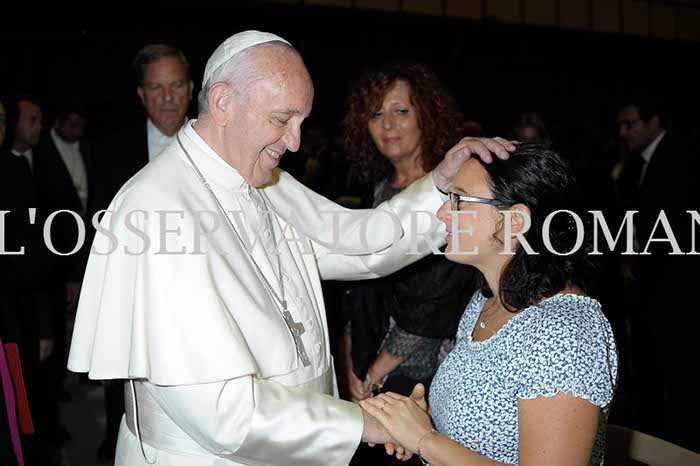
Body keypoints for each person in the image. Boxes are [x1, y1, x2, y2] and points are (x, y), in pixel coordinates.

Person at [67, 30, 514, 466]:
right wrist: (362, 422)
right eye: (282, 120)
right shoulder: (159, 209)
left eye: (301, 121)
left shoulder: (257, 178)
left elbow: (362, 246)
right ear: (223, 103)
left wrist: (440, 185)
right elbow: (221, 414)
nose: (295, 142)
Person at [362, 144, 618, 466]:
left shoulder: (564, 332)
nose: (442, 213)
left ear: (515, 221)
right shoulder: (486, 302)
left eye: (459, 199)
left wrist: (426, 440)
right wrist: (420, 423)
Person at [337, 63, 478, 430]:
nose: (387, 125)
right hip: (372, 369)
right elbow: (362, 278)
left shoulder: (453, 189)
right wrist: (350, 359)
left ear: (425, 117)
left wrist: (373, 373)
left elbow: (440, 296)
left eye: (401, 111)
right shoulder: (382, 188)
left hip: (425, 377)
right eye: (376, 114)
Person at [90, 43, 193, 461]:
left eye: (175, 86)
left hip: (198, 303)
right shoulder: (108, 151)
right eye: (156, 88)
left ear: (190, 89)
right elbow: (97, 233)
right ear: (141, 95)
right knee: (126, 397)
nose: (167, 98)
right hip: (133, 300)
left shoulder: (220, 145)